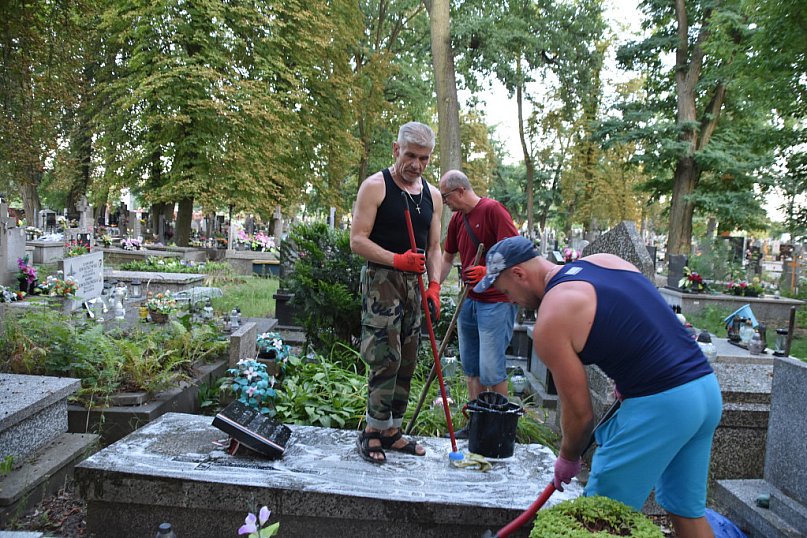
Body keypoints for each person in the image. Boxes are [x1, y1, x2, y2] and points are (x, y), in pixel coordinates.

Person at [474, 236, 722, 538]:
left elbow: (580, 416)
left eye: (504, 290)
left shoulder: (551, 318)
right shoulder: (603, 261)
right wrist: (628, 376)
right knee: (685, 510)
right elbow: (640, 317)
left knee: (598, 520)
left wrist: (567, 457)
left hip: (662, 405)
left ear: (519, 274)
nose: (509, 299)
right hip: (705, 390)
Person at [349, 121, 443, 464]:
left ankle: (392, 430)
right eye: (410, 155)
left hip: (415, 284)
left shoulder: (432, 195)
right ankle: (372, 430)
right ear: (395, 150)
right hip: (382, 282)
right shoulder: (375, 187)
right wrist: (396, 259)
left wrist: (434, 285)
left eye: (424, 158)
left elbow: (434, 246)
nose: (416, 164)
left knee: (407, 356)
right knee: (383, 356)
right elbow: (357, 240)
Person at [437, 169, 519, 438]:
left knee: (491, 370)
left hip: (496, 302)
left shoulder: (493, 210)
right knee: (471, 367)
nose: (444, 202)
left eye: (446, 196)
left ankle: (500, 430)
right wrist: (434, 287)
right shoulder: (457, 221)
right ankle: (477, 425)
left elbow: (515, 251)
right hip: (469, 302)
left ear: (460, 191)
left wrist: (487, 271)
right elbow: (447, 257)